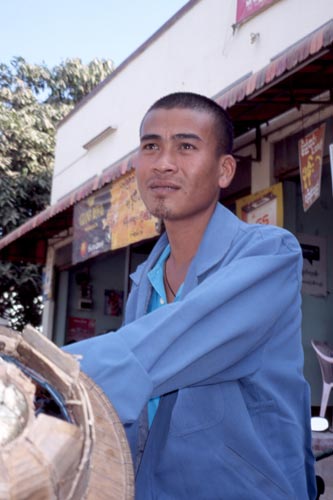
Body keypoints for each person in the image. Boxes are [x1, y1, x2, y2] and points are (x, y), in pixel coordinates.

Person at [64, 92, 317, 499]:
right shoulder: (143, 281)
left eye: (185, 146)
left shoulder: (269, 253)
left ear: (224, 170)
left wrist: (48, 372)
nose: (163, 162)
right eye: (151, 146)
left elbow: (168, 344)